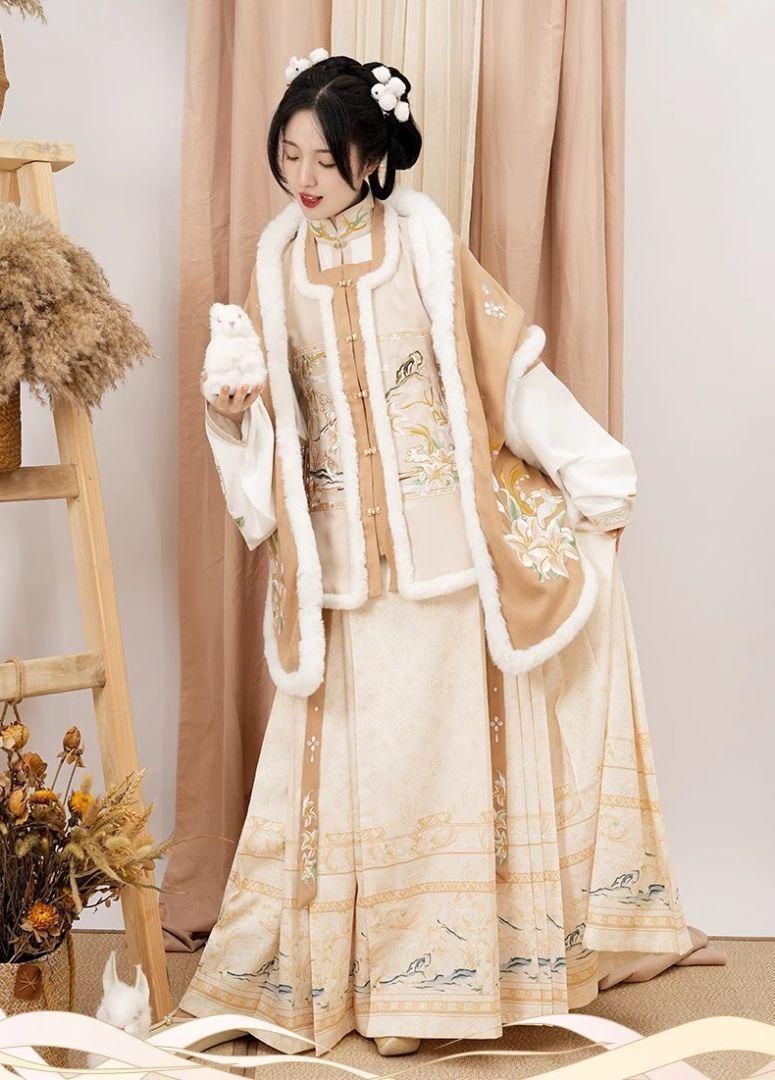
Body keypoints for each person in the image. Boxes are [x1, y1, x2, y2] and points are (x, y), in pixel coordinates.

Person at [178, 49, 708, 1058]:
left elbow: (505, 371)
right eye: (289, 156)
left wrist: (591, 470)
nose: (303, 179)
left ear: (372, 157)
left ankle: (432, 998)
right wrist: (231, 410)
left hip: (445, 562)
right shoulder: (275, 266)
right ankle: (362, 987)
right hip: (340, 574)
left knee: (438, 779)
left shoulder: (423, 244)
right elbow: (274, 429)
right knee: (365, 785)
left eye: (324, 159)